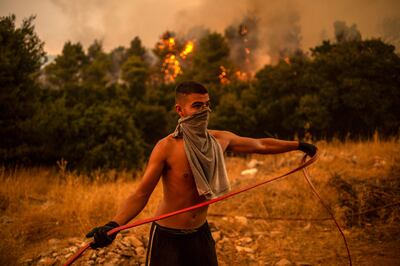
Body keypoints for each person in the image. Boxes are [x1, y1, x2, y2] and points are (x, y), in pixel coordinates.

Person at [85, 81, 317, 266]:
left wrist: (298, 145)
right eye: (197, 105)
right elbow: (140, 194)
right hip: (168, 236)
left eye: (207, 104)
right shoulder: (166, 147)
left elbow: (260, 144)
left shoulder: (220, 139)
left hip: (200, 233)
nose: (204, 110)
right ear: (180, 110)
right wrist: (112, 226)